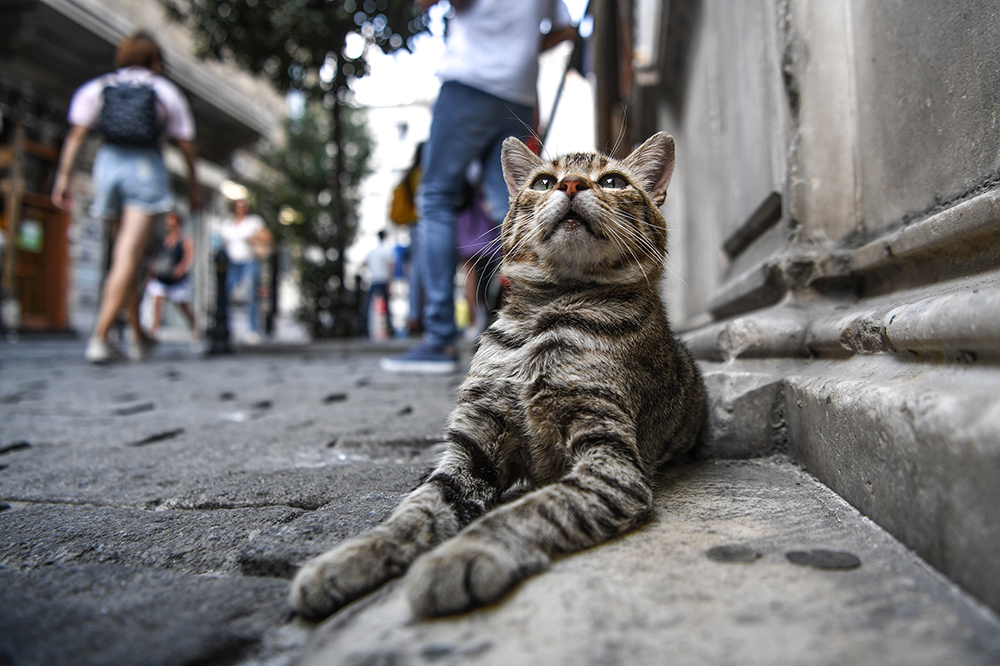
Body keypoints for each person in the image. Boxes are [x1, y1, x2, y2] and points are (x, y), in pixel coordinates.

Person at [381, 0, 575, 374]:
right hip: (518, 92)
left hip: (469, 83)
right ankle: (553, 323)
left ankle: (438, 338)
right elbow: (566, 29)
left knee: (434, 197)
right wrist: (520, 48)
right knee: (513, 205)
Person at [52, 30, 201, 363]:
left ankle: (137, 336)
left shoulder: (100, 87)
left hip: (107, 167)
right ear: (155, 61)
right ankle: (100, 337)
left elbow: (77, 132)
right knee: (127, 257)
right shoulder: (162, 90)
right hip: (145, 167)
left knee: (124, 257)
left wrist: (63, 177)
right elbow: (186, 143)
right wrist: (193, 186)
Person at [220, 198, 272, 345]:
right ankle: (227, 329)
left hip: (248, 261)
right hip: (231, 263)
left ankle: (253, 330)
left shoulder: (254, 222)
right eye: (238, 206)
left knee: (250, 295)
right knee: (227, 294)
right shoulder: (227, 224)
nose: (241, 209)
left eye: (244, 206)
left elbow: (268, 238)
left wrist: (253, 237)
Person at [145, 210, 199, 341]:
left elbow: (188, 257)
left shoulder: (185, 239)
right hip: (163, 276)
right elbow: (157, 257)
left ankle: (196, 327)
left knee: (183, 306)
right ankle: (154, 330)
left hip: (177, 279)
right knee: (158, 300)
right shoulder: (164, 239)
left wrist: (181, 268)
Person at [364, 230, 395, 338]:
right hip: (383, 280)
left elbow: (366, 264)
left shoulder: (372, 252)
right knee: (387, 306)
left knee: (369, 306)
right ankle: (391, 329)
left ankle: (365, 329)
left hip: (374, 280)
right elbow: (390, 266)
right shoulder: (387, 250)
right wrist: (390, 282)